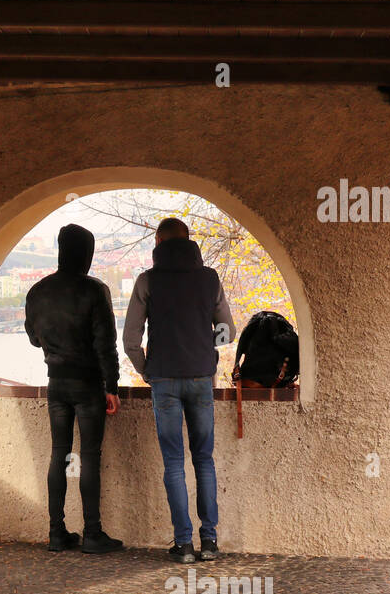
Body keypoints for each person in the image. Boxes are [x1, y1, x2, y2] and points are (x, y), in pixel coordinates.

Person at [122, 217, 235, 564]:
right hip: (201, 378)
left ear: (158, 243)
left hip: (165, 380)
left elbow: (129, 341)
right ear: (189, 242)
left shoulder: (147, 281)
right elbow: (228, 332)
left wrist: (147, 370)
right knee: (204, 459)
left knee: (173, 462)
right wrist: (207, 351)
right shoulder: (209, 278)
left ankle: (184, 544)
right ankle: (210, 542)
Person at [24, 223, 124, 554]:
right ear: (87, 253)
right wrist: (112, 385)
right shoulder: (94, 290)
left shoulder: (38, 291)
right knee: (90, 457)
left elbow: (33, 337)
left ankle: (56, 533)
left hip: (56, 384)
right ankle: (92, 534)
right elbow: (105, 343)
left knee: (59, 453)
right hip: (88, 385)